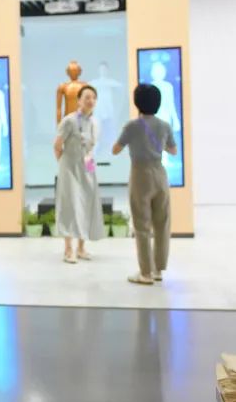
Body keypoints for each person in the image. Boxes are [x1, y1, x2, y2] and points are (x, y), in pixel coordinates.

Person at [113, 83, 178, 285]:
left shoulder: (131, 126)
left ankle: (145, 273)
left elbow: (116, 149)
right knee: (162, 223)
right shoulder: (165, 126)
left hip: (140, 174)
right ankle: (158, 269)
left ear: (137, 102)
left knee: (142, 225)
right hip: (160, 173)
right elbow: (173, 150)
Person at [54, 85, 106, 263]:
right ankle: (68, 249)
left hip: (88, 166)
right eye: (87, 97)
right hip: (70, 167)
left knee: (88, 202)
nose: (91, 101)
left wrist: (90, 168)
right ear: (78, 100)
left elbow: (91, 147)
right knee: (70, 205)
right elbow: (57, 145)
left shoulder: (95, 122)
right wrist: (64, 164)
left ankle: (81, 247)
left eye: (93, 98)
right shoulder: (69, 121)